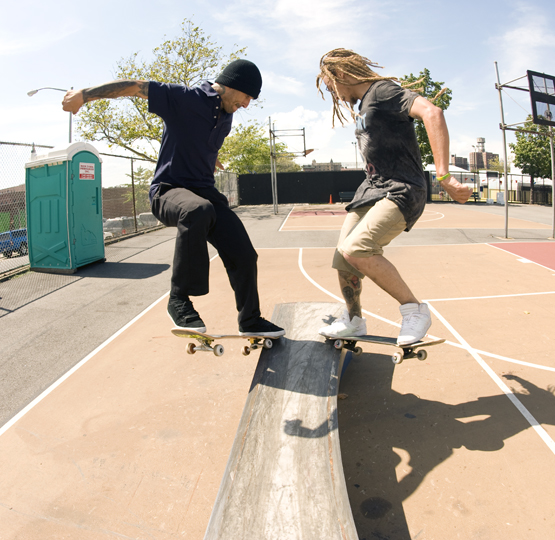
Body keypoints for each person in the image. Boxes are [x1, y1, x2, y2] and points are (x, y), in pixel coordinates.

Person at [62, 59, 285, 338]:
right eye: (247, 97)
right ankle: (178, 299)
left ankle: (250, 319)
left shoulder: (225, 116)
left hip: (204, 191)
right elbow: (133, 87)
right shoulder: (183, 98)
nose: (247, 104)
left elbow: (197, 141)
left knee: (243, 253)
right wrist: (84, 95)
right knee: (197, 210)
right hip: (168, 191)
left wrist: (207, 158)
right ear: (231, 85)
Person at [315, 49, 472, 345]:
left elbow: (432, 112)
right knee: (343, 257)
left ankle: (414, 310)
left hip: (402, 188)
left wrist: (444, 175)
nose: (333, 94)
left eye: (330, 86)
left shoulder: (383, 92)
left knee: (357, 248)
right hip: (372, 189)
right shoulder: (366, 105)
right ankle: (354, 320)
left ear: (342, 75)